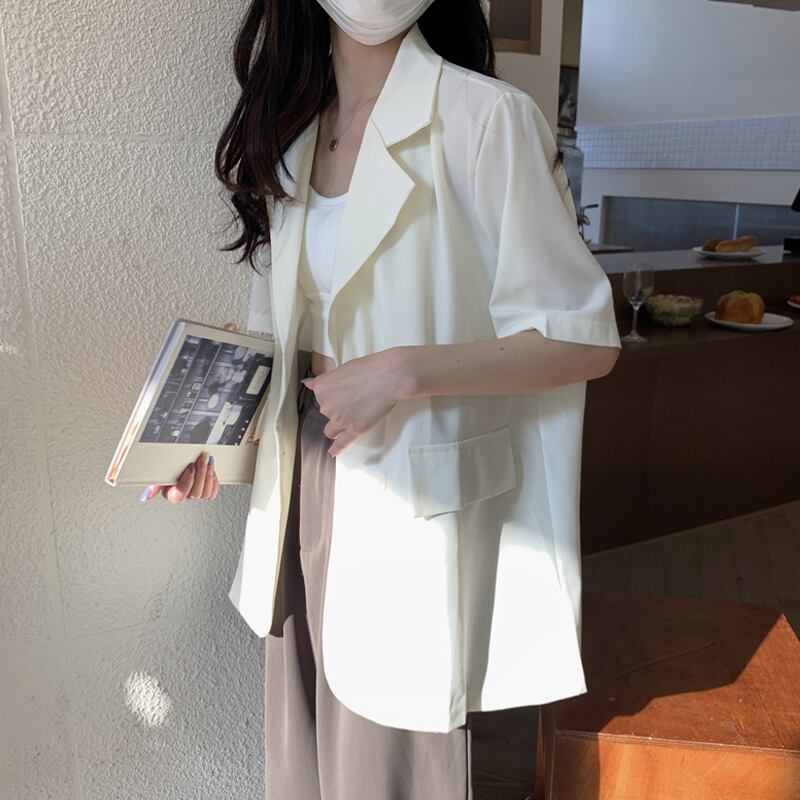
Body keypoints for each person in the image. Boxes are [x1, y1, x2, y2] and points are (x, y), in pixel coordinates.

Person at [143, 1, 622, 797]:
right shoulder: (294, 134)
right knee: (301, 767)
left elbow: (585, 341)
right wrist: (211, 442)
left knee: (388, 769)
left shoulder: (487, 119)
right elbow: (280, 340)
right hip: (302, 477)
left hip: (408, 489)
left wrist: (405, 371)